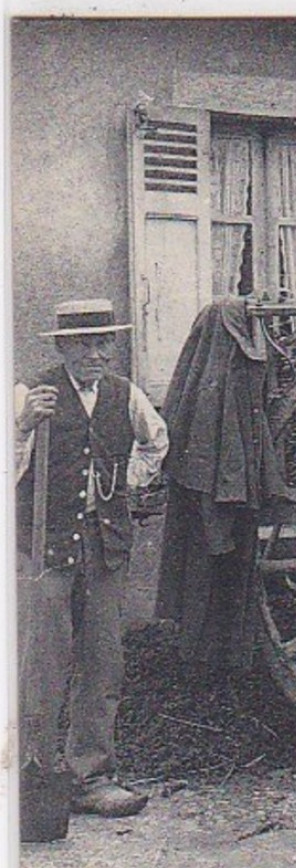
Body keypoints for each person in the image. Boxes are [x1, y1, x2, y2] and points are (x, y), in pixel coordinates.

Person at [16, 299, 169, 819]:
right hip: (44, 550)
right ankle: (36, 772)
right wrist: (19, 428)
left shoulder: (126, 397)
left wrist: (122, 484)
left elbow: (157, 443)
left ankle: (92, 775)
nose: (96, 354)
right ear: (62, 348)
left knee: (103, 662)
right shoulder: (30, 394)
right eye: (84, 344)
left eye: (104, 343)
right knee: (43, 662)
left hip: (104, 549)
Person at [155, 296, 283, 674]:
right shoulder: (213, 377)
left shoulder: (219, 371)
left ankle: (219, 655)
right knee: (207, 568)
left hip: (222, 490)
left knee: (222, 569)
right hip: (211, 493)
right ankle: (204, 657)